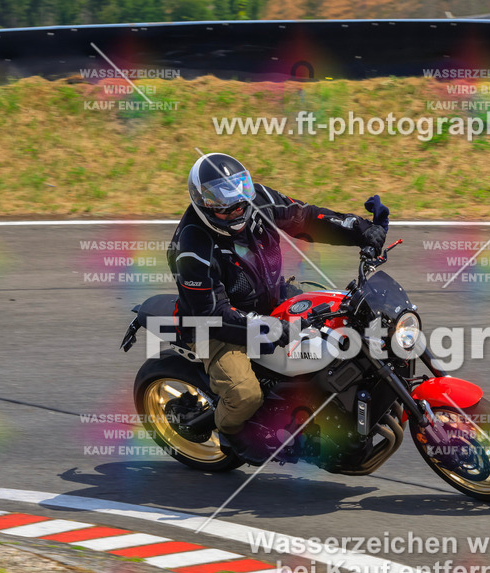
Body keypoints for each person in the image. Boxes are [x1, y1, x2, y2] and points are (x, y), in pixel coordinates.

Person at [166, 152, 387, 440]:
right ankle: (231, 435)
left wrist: (361, 230)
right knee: (244, 395)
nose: (237, 211)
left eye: (240, 202)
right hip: (214, 325)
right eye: (226, 208)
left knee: (346, 317)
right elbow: (211, 314)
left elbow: (306, 217)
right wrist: (261, 326)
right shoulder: (192, 247)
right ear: (203, 205)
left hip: (270, 297)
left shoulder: (258, 199)